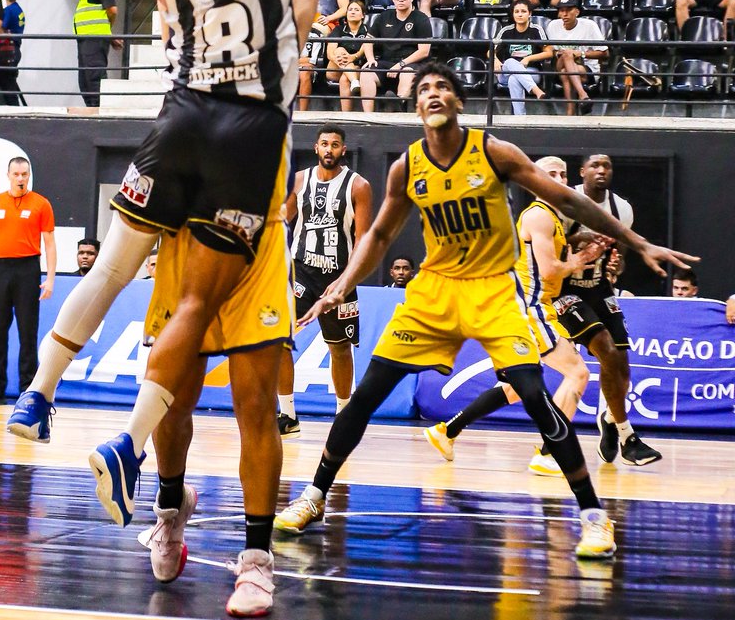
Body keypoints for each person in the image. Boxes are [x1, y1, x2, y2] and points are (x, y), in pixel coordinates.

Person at [8, 0, 352, 618]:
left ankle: (249, 552)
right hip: (217, 196)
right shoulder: (274, 0)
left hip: (239, 211)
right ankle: (169, 510)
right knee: (183, 395)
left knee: (247, 399)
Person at [273, 61, 695, 558]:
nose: (433, 93)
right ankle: (314, 495)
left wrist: (635, 240)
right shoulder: (407, 167)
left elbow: (568, 199)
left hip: (494, 291)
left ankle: (593, 516)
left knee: (535, 395)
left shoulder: (494, 151)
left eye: (442, 86)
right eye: (424, 88)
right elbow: (380, 235)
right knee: (366, 395)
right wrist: (342, 284)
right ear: (416, 105)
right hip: (435, 292)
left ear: (458, 101)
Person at [425, 157, 602, 476]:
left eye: (563, 173)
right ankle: (550, 453)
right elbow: (549, 270)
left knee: (516, 387)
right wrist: (577, 262)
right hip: (530, 308)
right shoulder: (540, 215)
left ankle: (446, 432)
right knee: (577, 373)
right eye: (551, 173)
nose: (560, 178)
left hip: (521, 307)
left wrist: (578, 248)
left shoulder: (551, 216)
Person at [566, 153, 665, 466]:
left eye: (606, 166)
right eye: (594, 165)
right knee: (606, 351)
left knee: (622, 365)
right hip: (564, 288)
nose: (601, 170)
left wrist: (615, 266)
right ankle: (627, 437)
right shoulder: (565, 201)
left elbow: (618, 258)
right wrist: (579, 240)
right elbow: (547, 246)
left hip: (598, 287)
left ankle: (609, 419)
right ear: (582, 171)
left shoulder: (622, 209)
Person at [277, 127, 373, 436]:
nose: (329, 149)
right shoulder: (299, 180)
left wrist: (346, 279)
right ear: (316, 148)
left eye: (334, 144)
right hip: (301, 272)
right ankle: (287, 414)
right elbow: (282, 221)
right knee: (279, 340)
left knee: (340, 348)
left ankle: (344, 414)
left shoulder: (358, 185)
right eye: (324, 144)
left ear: (343, 149)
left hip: (338, 275)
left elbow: (363, 239)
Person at [0, 157, 56, 405]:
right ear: (8, 175)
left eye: (24, 174)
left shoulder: (41, 204)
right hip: (0, 268)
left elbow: (49, 244)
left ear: (29, 176)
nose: (20, 179)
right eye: (16, 174)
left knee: (27, 331)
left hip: (28, 268)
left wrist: (50, 277)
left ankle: (27, 390)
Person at [359, 0, 432, 112]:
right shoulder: (383, 16)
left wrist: (400, 65)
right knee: (366, 73)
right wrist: (370, 59)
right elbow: (368, 40)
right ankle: (368, 116)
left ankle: (398, 107)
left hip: (412, 63)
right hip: (387, 61)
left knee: (407, 73)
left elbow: (424, 51)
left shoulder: (421, 18)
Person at [73, 0, 120, 108]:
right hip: (86, 39)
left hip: (94, 39)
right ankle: (91, 110)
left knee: (94, 78)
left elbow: (112, 10)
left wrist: (107, 32)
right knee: (85, 81)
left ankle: (97, 111)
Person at [546, 0, 607, 116]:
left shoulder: (589, 25)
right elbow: (550, 50)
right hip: (560, 63)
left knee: (565, 73)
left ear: (577, 12)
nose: (565, 14)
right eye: (562, 10)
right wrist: (558, 53)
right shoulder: (552, 25)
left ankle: (570, 112)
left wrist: (581, 54)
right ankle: (583, 96)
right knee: (567, 54)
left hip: (586, 69)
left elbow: (605, 53)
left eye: (569, 10)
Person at [493, 0, 550, 114]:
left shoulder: (536, 30)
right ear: (513, 14)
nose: (520, 14)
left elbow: (549, 52)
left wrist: (528, 58)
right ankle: (536, 90)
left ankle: (519, 118)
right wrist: (496, 60)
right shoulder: (506, 31)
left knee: (514, 79)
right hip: (506, 73)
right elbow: (490, 51)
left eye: (523, 11)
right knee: (510, 62)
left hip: (531, 71)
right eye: (516, 12)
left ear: (530, 13)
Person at [325, 0, 370, 110]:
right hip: (335, 68)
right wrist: (341, 60)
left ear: (363, 15)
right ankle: (354, 81)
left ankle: (346, 115)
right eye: (350, 10)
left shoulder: (368, 30)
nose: (352, 12)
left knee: (345, 79)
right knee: (339, 50)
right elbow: (330, 53)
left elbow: (366, 47)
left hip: (358, 67)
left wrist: (353, 57)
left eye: (356, 10)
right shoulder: (339, 29)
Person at [0, 0, 26, 106]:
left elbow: (0, 29)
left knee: (7, 86)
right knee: (9, 83)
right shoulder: (19, 10)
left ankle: (15, 110)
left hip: (7, 51)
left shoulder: (8, 11)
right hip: (15, 50)